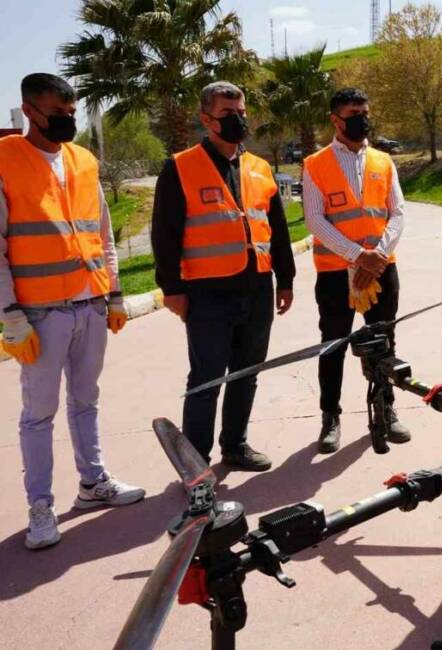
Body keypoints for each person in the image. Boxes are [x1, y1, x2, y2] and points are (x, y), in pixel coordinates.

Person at [0, 73, 145, 550]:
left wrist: (116, 295)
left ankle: (92, 483)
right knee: (37, 414)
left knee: (86, 401)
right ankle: (40, 506)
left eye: (71, 112)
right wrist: (11, 316)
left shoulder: (83, 161)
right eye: (56, 113)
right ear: (29, 112)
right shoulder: (5, 161)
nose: (66, 119)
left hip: (90, 305)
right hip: (40, 314)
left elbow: (102, 235)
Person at [151, 81, 296, 471]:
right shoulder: (180, 167)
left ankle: (236, 445)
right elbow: (164, 235)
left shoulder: (259, 168)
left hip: (257, 287)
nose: (237, 120)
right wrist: (172, 289)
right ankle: (195, 462)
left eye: (241, 113)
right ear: (206, 119)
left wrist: (285, 279)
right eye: (227, 114)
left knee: (247, 373)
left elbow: (277, 230)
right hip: (208, 293)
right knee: (206, 378)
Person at [303, 88, 409, 453]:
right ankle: (330, 417)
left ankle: (387, 411)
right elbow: (314, 220)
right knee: (332, 346)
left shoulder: (383, 160)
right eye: (353, 113)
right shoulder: (315, 164)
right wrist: (355, 256)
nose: (362, 118)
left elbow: (397, 211)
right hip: (335, 273)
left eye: (365, 111)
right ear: (336, 120)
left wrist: (377, 254)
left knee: (384, 343)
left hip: (382, 268)